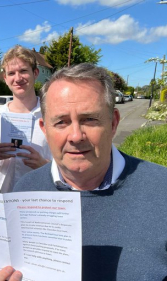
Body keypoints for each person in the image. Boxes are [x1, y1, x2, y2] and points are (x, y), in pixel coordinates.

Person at [14, 63, 167, 279]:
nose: (76, 136)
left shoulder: (162, 190)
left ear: (113, 123)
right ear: (44, 129)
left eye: (89, 119)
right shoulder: (24, 193)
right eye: (61, 122)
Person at [0, 45, 51, 193]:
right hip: (3, 202)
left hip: (40, 204)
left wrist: (44, 165)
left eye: (23, 71)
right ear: (5, 78)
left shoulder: (52, 117)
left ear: (35, 73)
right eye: (11, 73)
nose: (17, 78)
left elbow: (68, 166)